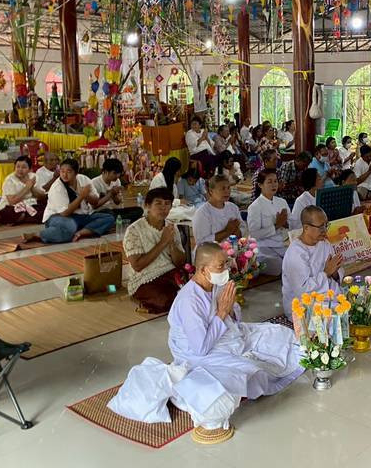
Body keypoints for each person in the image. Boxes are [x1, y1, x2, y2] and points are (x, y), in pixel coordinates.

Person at [110, 242, 302, 444]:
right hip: (199, 354)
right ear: (203, 269)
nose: (226, 269)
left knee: (278, 334)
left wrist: (228, 310)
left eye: (226, 264)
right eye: (221, 266)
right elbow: (200, 347)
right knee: (250, 370)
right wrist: (221, 313)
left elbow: (231, 314)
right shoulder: (189, 300)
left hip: (226, 338)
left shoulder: (214, 285)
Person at [123, 187, 186, 313]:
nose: (163, 208)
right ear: (147, 206)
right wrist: (163, 242)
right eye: (158, 203)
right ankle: (146, 306)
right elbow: (137, 266)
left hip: (170, 273)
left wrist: (171, 243)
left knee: (195, 291)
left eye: (167, 204)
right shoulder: (134, 230)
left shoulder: (170, 227)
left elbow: (180, 262)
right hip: (145, 278)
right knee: (165, 300)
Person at [28, 158, 114, 244]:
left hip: (82, 216)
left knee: (108, 218)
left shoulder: (84, 179)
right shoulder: (57, 187)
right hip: (58, 218)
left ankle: (80, 233)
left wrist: (87, 196)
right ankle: (38, 234)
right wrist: (81, 196)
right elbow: (65, 213)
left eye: (68, 172)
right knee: (70, 225)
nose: (64, 175)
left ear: (76, 173)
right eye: (62, 171)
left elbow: (95, 202)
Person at [281, 205, 344, 317]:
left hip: (327, 295)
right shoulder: (295, 253)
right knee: (339, 318)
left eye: (326, 225)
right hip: (303, 305)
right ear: (306, 228)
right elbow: (302, 291)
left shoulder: (324, 243)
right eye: (320, 227)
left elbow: (336, 274)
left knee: (359, 304)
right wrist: (326, 273)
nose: (324, 230)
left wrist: (335, 273)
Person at [246, 169, 290, 275]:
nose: (273, 185)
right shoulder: (255, 207)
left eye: (275, 181)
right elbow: (254, 234)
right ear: (260, 185)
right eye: (269, 182)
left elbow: (291, 223)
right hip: (263, 246)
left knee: (296, 261)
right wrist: (276, 225)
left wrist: (286, 224)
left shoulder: (282, 202)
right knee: (279, 267)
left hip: (282, 244)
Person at [192, 176, 245, 254]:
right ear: (211, 191)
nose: (227, 191)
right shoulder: (202, 213)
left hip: (232, 251)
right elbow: (202, 243)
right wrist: (227, 231)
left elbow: (243, 227)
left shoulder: (233, 207)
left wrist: (237, 231)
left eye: (228, 188)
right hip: (209, 255)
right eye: (223, 188)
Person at [0, 155, 47, 225]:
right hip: (11, 207)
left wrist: (32, 187)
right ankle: (24, 217)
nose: (20, 170)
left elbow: (42, 196)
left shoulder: (33, 176)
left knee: (46, 204)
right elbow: (12, 201)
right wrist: (27, 187)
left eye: (24, 167)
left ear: (30, 169)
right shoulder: (9, 180)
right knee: (9, 212)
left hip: (30, 204)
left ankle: (23, 217)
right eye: (17, 167)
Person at [92, 158, 144, 222]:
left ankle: (115, 220)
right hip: (99, 212)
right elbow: (94, 206)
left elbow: (117, 202)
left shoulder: (116, 181)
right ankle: (115, 220)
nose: (117, 176)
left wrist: (114, 194)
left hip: (111, 210)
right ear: (105, 172)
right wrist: (110, 194)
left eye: (118, 173)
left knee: (139, 210)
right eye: (115, 173)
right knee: (109, 213)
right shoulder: (94, 183)